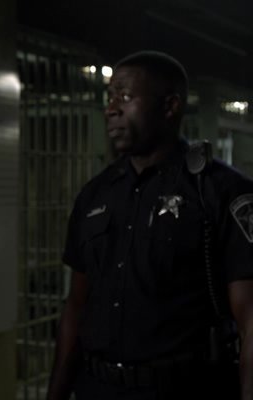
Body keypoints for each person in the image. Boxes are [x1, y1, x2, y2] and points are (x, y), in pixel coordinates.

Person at [46, 51, 253, 399]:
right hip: (99, 387)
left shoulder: (220, 192)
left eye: (125, 96)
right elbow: (76, 306)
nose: (111, 109)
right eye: (110, 97)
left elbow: (250, 321)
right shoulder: (95, 195)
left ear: (170, 106)